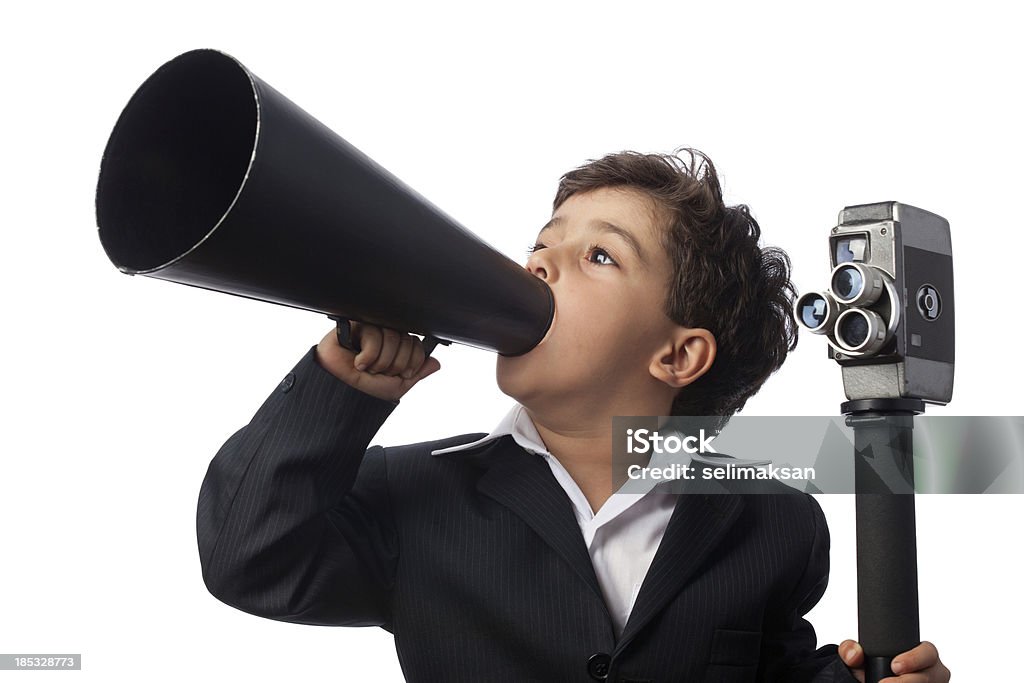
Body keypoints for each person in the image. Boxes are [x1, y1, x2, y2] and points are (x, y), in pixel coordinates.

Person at [196, 148, 950, 682]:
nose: (537, 266)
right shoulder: (415, 494)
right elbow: (247, 553)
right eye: (542, 245)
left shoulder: (771, 519)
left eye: (601, 257)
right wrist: (341, 387)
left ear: (679, 356)